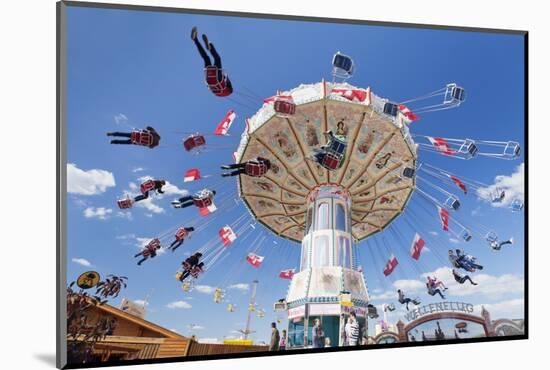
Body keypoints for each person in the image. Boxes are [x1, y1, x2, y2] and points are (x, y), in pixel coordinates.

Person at [191, 27, 233, 97]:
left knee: (217, 58)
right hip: (208, 78)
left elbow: (227, 79)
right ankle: (195, 39)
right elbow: (211, 89)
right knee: (206, 58)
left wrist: (226, 76)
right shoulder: (219, 93)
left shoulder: (229, 90)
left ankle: (210, 47)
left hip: (217, 78)